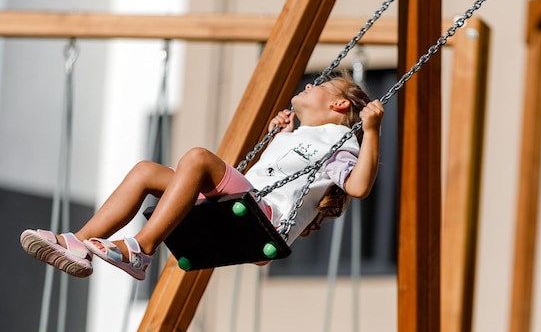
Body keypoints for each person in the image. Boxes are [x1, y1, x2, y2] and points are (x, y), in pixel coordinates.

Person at [20, 74, 384, 280]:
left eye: (318, 86)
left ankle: (141, 250)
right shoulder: (298, 135)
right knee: (146, 171)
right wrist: (279, 136)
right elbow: (274, 171)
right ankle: (79, 243)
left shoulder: (339, 138)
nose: (308, 86)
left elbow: (358, 186)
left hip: (264, 221)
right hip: (243, 204)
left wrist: (371, 131)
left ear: (339, 105)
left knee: (197, 159)